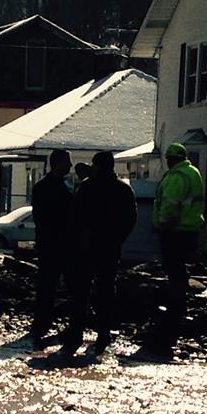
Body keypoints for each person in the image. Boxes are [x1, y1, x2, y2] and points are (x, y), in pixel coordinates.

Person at [60, 151, 137, 357]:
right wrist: (117, 239)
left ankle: (76, 334)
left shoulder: (87, 187)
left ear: (98, 166)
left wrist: (75, 242)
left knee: (80, 292)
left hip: (85, 248)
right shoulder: (122, 189)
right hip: (108, 248)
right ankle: (102, 334)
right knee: (105, 291)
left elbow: (74, 218)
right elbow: (130, 219)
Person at [148, 142, 205, 357]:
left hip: (175, 230)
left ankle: (176, 304)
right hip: (189, 229)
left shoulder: (177, 176)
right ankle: (179, 300)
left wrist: (161, 225)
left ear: (171, 159)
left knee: (174, 269)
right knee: (178, 269)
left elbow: (170, 205)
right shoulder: (193, 173)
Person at [29, 149, 74, 345]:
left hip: (50, 243)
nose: (70, 165)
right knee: (55, 284)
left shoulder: (43, 187)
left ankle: (42, 321)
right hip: (57, 243)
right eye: (67, 161)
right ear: (57, 163)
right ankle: (48, 321)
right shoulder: (60, 189)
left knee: (46, 285)